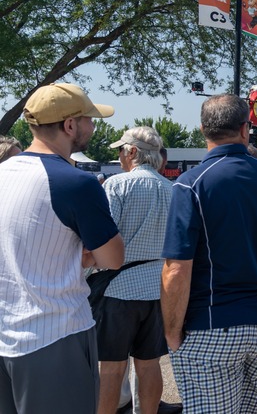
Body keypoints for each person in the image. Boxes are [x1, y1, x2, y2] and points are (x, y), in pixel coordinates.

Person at [161, 94, 257, 413]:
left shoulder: (191, 185)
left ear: (202, 130)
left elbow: (176, 270)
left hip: (210, 324)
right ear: (244, 129)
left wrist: (170, 330)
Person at [0, 83, 124, 413]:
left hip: (5, 331)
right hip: (55, 335)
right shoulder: (74, 182)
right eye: (89, 119)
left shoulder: (4, 172)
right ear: (70, 125)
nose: (93, 126)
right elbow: (113, 258)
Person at [93, 127, 172, 414]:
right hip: (157, 287)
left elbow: (104, 237)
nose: (119, 156)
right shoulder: (171, 189)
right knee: (149, 365)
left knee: (112, 368)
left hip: (118, 288)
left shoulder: (117, 185)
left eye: (120, 150)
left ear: (133, 152)